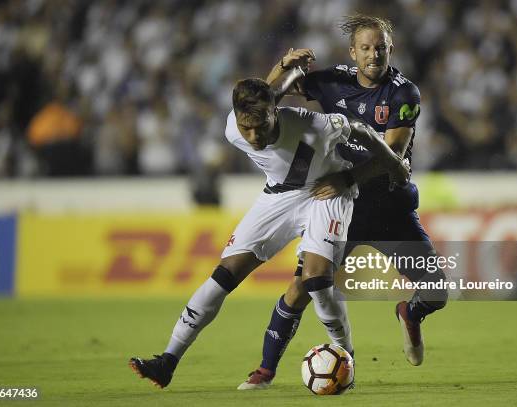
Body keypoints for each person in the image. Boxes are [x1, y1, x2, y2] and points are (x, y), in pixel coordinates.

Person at [129, 68, 410, 389]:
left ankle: (346, 356)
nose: (253, 136)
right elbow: (264, 91)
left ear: (275, 112)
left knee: (316, 280)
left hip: (327, 190)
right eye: (246, 127)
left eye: (260, 125)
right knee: (223, 275)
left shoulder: (315, 125)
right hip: (279, 196)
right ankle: (168, 360)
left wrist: (394, 164)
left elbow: (364, 133)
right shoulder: (233, 130)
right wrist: (280, 70)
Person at [239, 14, 448, 390]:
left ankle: (408, 312)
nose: (373, 55)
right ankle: (265, 370)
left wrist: (348, 177)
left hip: (388, 207)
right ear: (353, 52)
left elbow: (393, 154)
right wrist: (283, 66)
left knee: (436, 290)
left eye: (380, 48)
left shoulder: (404, 93)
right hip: (340, 207)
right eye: (366, 48)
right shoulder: (334, 81)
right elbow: (266, 99)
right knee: (302, 285)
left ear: (390, 49)